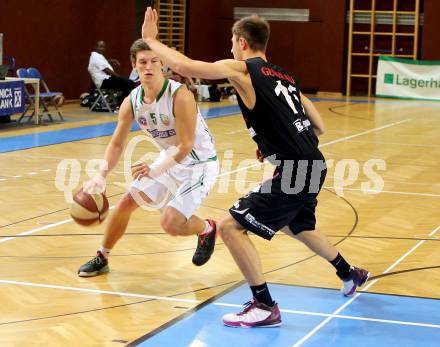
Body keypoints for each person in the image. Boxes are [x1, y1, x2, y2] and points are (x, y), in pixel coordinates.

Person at [141, 7, 370, 328]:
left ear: (243, 43)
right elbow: (317, 125)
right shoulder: (284, 76)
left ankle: (264, 305)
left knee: (231, 227)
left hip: (295, 169)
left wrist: (151, 40)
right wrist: (277, 143)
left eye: (232, 43)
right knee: (299, 227)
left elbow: (185, 66)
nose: (231, 48)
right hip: (314, 163)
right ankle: (350, 273)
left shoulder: (244, 69)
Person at [78, 39, 219, 277]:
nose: (148, 67)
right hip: (168, 159)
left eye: (154, 61)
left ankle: (206, 228)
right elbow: (116, 143)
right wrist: (101, 174)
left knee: (170, 223)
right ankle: (103, 256)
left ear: (163, 64)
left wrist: (153, 170)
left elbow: (185, 146)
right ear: (134, 64)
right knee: (125, 203)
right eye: (142, 62)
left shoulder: (180, 96)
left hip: (199, 164)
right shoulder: (131, 102)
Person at [88, 40, 136, 106]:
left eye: (103, 47)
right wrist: (118, 76)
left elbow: (102, 63)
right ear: (95, 47)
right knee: (130, 83)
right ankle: (121, 104)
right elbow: (106, 69)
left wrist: (110, 61)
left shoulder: (98, 56)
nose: (103, 49)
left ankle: (120, 103)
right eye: (100, 47)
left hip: (106, 80)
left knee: (127, 83)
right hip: (104, 81)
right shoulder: (95, 56)